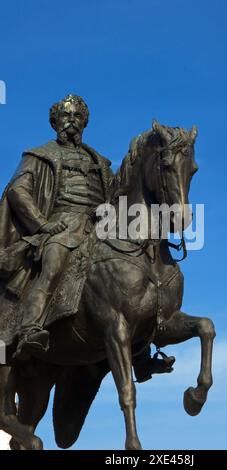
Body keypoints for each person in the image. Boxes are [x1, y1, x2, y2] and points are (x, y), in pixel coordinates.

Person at [4, 94, 113, 359]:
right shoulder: (39, 156)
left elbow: (117, 194)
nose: (72, 120)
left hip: (99, 227)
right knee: (53, 264)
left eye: (77, 116)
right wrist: (43, 224)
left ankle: (140, 348)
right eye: (66, 115)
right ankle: (30, 328)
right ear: (55, 122)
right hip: (61, 226)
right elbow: (19, 191)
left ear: (85, 122)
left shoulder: (101, 162)